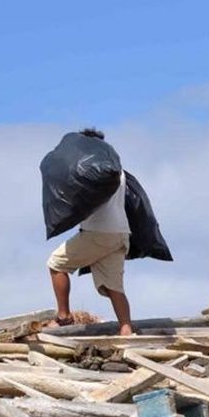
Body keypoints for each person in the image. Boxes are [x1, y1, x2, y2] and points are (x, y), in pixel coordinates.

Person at [45, 128, 135, 335]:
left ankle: (64, 316)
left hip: (98, 233)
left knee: (56, 264)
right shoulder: (117, 171)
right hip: (120, 234)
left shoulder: (89, 171)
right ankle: (126, 329)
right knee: (114, 287)